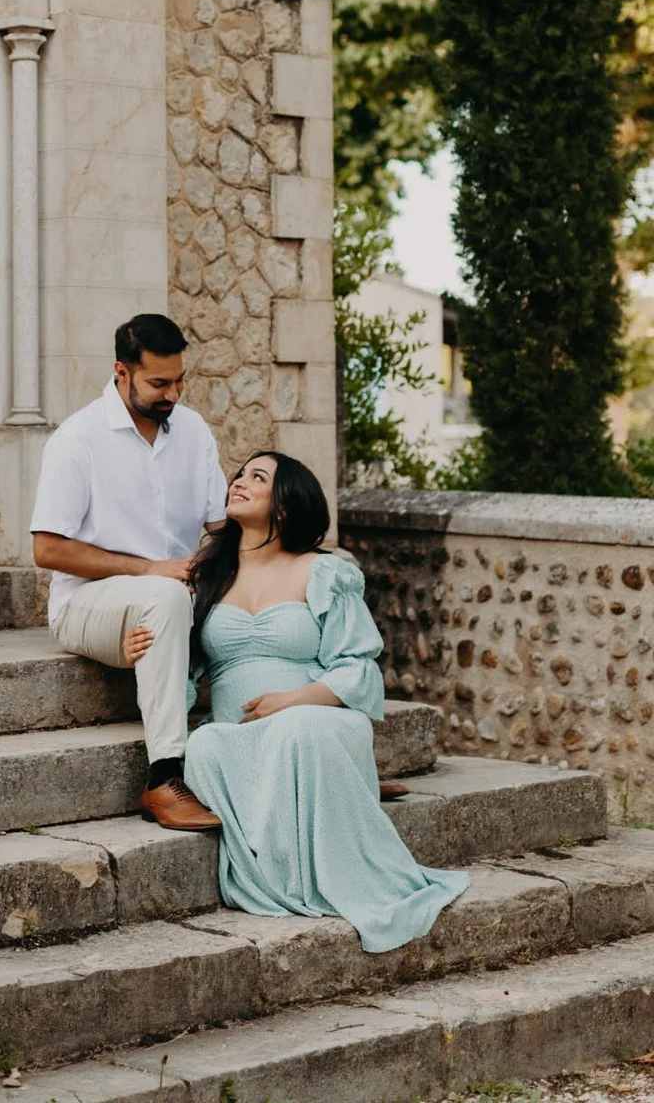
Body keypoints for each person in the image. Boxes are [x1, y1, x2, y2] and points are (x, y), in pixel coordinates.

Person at [124, 450, 469, 953]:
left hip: (319, 715)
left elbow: (358, 668)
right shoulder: (207, 578)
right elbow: (180, 674)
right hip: (238, 735)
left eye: (257, 478)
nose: (239, 482)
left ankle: (344, 845)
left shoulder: (324, 573)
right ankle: (308, 829)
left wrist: (294, 699)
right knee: (206, 747)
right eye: (240, 474)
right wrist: (141, 650)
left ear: (284, 505)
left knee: (300, 729)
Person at [30, 313, 227, 831]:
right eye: (159, 383)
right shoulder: (77, 439)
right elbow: (47, 549)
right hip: (87, 606)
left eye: (181, 380)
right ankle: (164, 777)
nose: (174, 394)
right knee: (162, 599)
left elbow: (222, 525)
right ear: (122, 372)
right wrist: (151, 571)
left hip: (174, 597)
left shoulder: (193, 430)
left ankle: (307, 749)